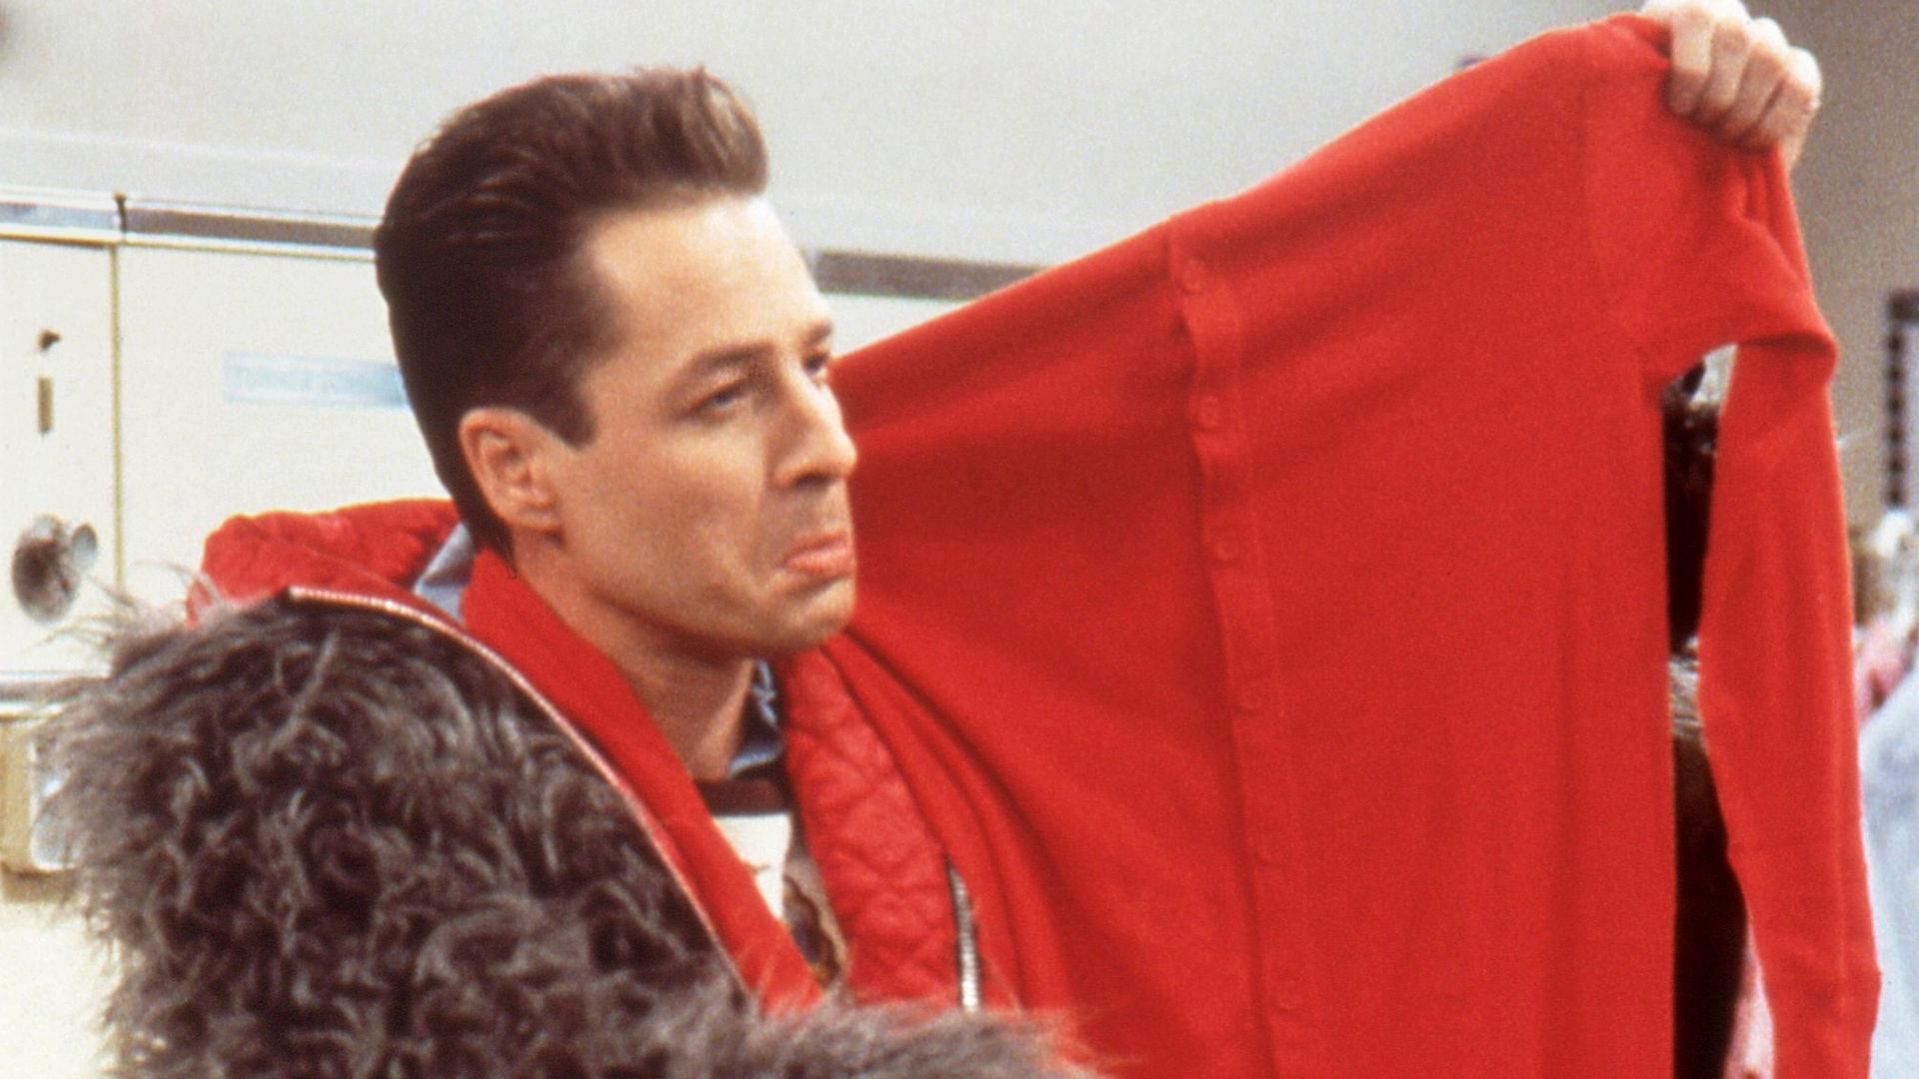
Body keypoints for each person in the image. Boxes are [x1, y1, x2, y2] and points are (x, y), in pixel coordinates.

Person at [47, 3, 1862, 1077]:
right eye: (724, 400)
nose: (828, 446)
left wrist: (1634, 182)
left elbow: (1316, 540)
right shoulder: (348, 903)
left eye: (820, 365)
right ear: (521, 474)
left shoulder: (907, 684)